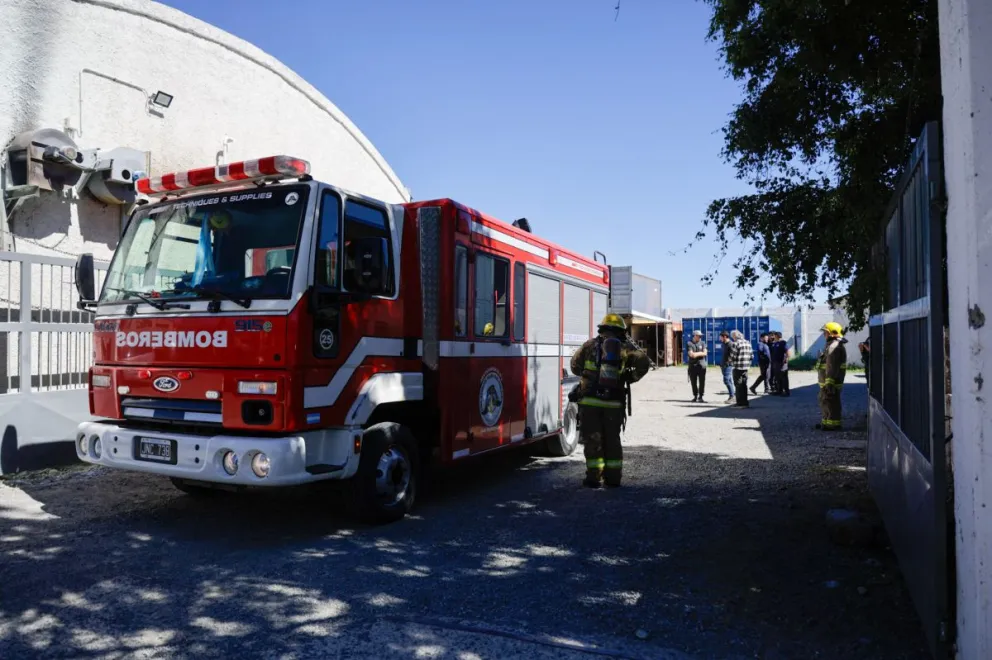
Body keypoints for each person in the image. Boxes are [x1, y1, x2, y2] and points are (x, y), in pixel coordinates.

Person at [570, 314, 651, 488]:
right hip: (614, 402)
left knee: (593, 441)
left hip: (590, 402)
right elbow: (644, 363)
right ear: (622, 330)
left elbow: (574, 366)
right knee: (612, 440)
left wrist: (589, 376)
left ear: (602, 328)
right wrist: (629, 377)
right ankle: (613, 479)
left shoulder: (589, 345)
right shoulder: (626, 347)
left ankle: (593, 478)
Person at [816, 322, 848, 430]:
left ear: (832, 333)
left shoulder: (834, 347)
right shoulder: (831, 345)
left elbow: (832, 366)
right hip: (827, 381)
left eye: (826, 332)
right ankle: (826, 422)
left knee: (831, 401)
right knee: (825, 400)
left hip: (830, 382)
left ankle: (833, 424)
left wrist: (829, 382)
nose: (824, 334)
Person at [728, 330, 754, 408]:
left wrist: (729, 360)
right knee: (744, 385)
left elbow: (733, 356)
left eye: (732, 337)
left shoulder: (735, 344)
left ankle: (740, 403)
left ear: (735, 336)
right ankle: (745, 402)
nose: (732, 338)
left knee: (738, 385)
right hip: (746, 367)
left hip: (738, 367)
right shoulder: (748, 343)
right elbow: (752, 356)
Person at [686, 329, 708, 402]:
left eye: (701, 336)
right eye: (699, 336)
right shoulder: (689, 343)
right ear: (695, 336)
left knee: (702, 382)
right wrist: (699, 353)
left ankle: (701, 396)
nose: (700, 337)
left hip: (702, 366)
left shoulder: (703, 343)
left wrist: (696, 354)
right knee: (693, 382)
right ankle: (695, 395)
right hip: (693, 366)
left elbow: (705, 353)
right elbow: (691, 355)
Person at [769, 331, 791, 396]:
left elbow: (788, 352)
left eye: (774, 335)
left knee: (784, 378)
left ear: (777, 336)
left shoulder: (783, 343)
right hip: (776, 363)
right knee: (778, 377)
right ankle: (779, 391)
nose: (773, 337)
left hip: (782, 363)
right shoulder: (775, 343)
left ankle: (786, 392)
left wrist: (786, 359)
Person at [719, 331, 734, 403]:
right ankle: (733, 396)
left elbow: (732, 355)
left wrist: (727, 363)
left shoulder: (730, 344)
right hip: (723, 365)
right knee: (730, 381)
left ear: (725, 336)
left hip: (728, 365)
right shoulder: (724, 344)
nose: (720, 338)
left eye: (721, 337)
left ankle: (732, 397)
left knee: (726, 380)